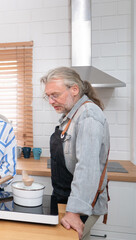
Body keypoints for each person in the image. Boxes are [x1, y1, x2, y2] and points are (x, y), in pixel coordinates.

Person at [40, 67, 110, 240]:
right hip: (65, 198)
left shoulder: (88, 115)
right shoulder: (72, 115)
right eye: (48, 96)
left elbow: (87, 167)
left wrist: (74, 212)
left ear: (74, 89)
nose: (51, 101)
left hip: (80, 205)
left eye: (55, 95)